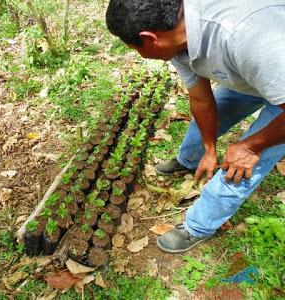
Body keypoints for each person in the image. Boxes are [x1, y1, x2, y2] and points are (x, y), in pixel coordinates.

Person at [106, 0, 285, 253]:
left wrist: (252, 147)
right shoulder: (178, 36)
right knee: (214, 114)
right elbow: (201, 98)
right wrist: (209, 149)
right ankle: (190, 160)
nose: (139, 54)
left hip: (271, 64)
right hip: (261, 72)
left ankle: (198, 227)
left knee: (242, 162)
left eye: (135, 48)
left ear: (150, 39)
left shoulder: (245, 36)